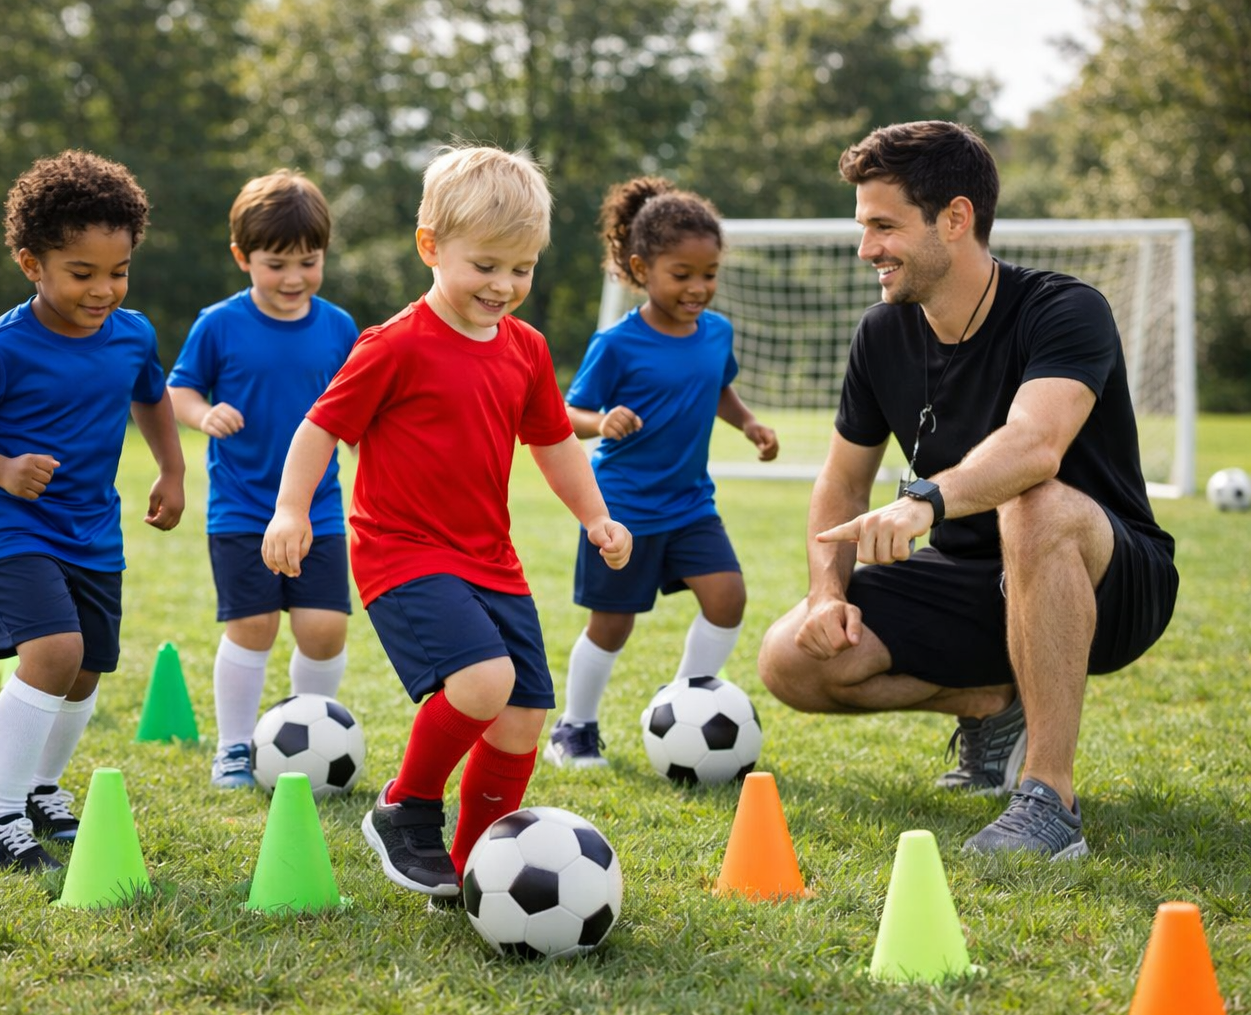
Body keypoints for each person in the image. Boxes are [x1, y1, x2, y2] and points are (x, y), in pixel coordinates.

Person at [755, 121, 1178, 860]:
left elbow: (1035, 445)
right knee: (790, 658)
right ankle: (991, 705)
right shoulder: (881, 335)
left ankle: (1049, 802)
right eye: (864, 228)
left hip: (1108, 576)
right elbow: (843, 479)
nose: (867, 250)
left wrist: (925, 499)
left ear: (955, 218)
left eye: (883, 226)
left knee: (1035, 501)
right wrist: (828, 592)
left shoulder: (1063, 309)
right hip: (971, 580)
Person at [263, 146, 632, 899]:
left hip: (490, 558)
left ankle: (471, 876)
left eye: (521, 269)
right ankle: (406, 806)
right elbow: (318, 428)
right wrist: (292, 508)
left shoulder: (526, 350)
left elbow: (555, 442)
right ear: (431, 248)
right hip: (403, 554)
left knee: (525, 717)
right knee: (484, 680)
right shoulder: (394, 344)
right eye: (486, 266)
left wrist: (597, 515)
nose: (504, 286)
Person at [0, 150, 186, 871]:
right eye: (82, 273)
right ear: (30, 262)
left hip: (92, 529)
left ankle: (39, 790)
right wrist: (2, 470)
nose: (104, 289)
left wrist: (172, 468)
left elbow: (152, 394)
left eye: (118, 271)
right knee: (54, 651)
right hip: (8, 524)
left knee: (87, 667)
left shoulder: (132, 333)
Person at [545, 178, 778, 769]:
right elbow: (566, 418)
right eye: (683, 274)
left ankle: (684, 703)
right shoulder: (616, 344)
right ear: (641, 268)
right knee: (613, 625)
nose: (699, 288)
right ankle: (575, 728)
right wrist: (603, 421)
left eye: (710, 273)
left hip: (691, 504)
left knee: (727, 597)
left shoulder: (717, 332)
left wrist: (748, 424)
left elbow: (717, 385)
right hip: (622, 507)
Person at [167, 170, 358, 789]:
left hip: (318, 509)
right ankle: (234, 747)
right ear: (242, 257)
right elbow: (178, 390)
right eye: (277, 264)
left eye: (309, 261)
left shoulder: (338, 327)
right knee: (253, 627)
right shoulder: (218, 323)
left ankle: (310, 735)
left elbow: (359, 407)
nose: (295, 278)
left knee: (324, 628)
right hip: (242, 508)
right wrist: (203, 413)